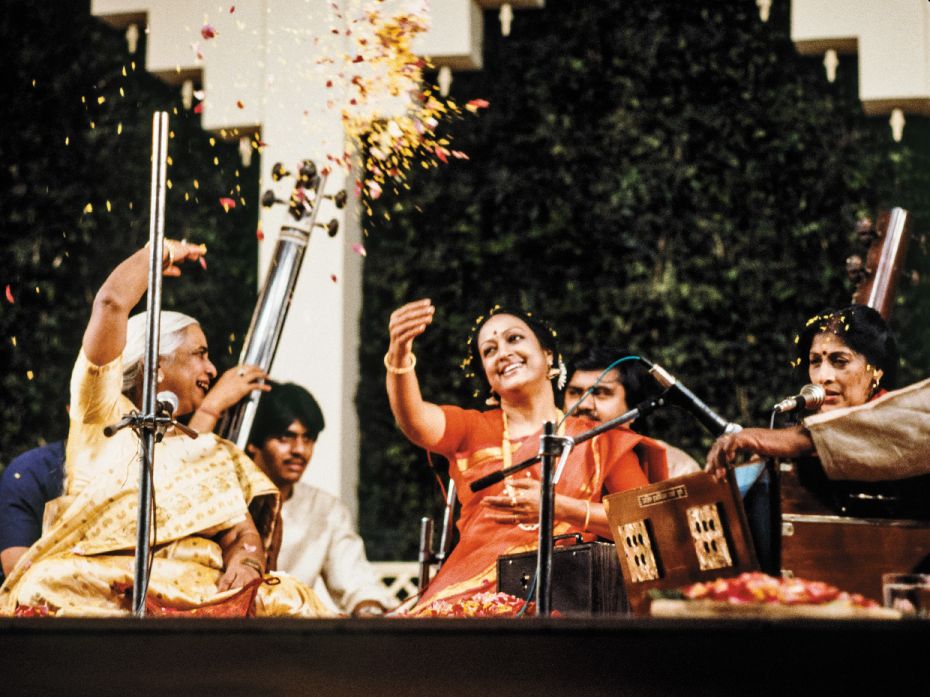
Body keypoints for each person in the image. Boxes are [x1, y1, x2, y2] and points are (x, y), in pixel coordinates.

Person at [0, 242, 328, 617]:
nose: (211, 370)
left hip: (200, 589)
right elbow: (111, 304)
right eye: (199, 354)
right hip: (108, 582)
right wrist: (153, 255)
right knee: (48, 581)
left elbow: (242, 534)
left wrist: (247, 564)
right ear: (155, 365)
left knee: (288, 596)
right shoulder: (103, 419)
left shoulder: (211, 451)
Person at [385, 299, 666, 612]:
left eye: (514, 338)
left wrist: (559, 508)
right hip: (469, 602)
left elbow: (647, 525)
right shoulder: (471, 429)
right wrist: (399, 353)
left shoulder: (602, 441)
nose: (503, 352)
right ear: (489, 380)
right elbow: (413, 419)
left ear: (548, 356)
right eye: (489, 350)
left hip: (570, 604)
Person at [0, 366, 268, 582]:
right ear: (72, 411)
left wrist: (245, 565)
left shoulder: (155, 461)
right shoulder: (31, 471)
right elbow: (19, 571)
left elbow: (238, 535)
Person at [245, 381, 396, 617]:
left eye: (308, 439)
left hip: (299, 641)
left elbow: (355, 580)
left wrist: (369, 609)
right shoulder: (229, 502)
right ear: (254, 442)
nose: (299, 450)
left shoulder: (326, 509)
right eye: (286, 437)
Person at [706, 304, 899, 473]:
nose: (823, 377)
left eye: (840, 361)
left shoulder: (897, 419)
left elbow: (843, 434)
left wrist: (753, 438)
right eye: (815, 361)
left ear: (876, 370)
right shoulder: (805, 439)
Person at [563, 346, 702, 478]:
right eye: (574, 392)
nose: (584, 405)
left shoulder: (675, 468)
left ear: (632, 408)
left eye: (601, 393)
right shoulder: (550, 460)